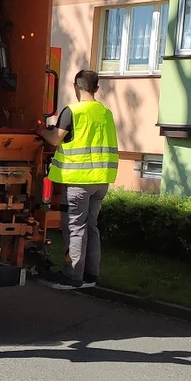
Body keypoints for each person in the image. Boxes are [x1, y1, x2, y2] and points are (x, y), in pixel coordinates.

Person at [39, 69, 119, 290]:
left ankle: (72, 275)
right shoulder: (105, 113)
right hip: (101, 181)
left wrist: (42, 132)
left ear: (76, 86)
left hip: (77, 182)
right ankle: (90, 275)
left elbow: (55, 140)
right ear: (96, 88)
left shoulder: (73, 111)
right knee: (91, 227)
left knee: (75, 227)